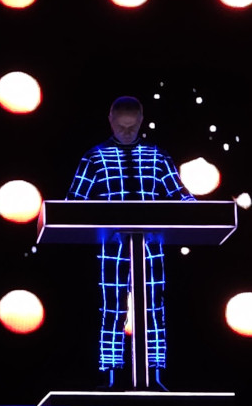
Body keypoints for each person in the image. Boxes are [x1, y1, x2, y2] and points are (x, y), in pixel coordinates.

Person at [67, 97, 194, 390]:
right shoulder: (95, 157)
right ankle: (111, 373)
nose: (126, 133)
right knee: (112, 309)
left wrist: (200, 211)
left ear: (140, 122)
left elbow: (180, 195)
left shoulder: (157, 156)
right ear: (110, 121)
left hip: (150, 246)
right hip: (112, 247)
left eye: (132, 127)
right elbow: (74, 203)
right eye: (122, 127)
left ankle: (155, 373)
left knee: (153, 308)